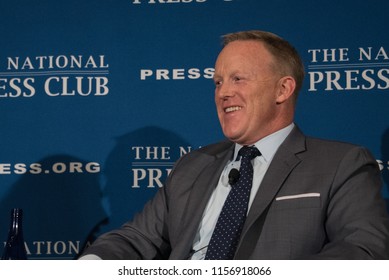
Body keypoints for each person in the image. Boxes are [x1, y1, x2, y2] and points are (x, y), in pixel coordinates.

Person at [80, 30, 389, 260]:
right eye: (218, 82)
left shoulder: (340, 164)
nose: (223, 92)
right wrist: (92, 264)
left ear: (283, 89)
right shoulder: (193, 166)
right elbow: (135, 239)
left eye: (238, 79)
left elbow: (363, 249)